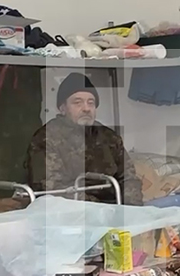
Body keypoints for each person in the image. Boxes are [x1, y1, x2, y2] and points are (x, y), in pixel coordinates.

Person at [25, 72, 143, 206]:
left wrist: (132, 210)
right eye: (77, 103)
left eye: (91, 103)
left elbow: (129, 179)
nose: (86, 108)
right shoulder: (46, 139)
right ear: (62, 108)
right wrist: (100, 209)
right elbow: (53, 189)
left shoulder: (109, 137)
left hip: (113, 210)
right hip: (68, 211)